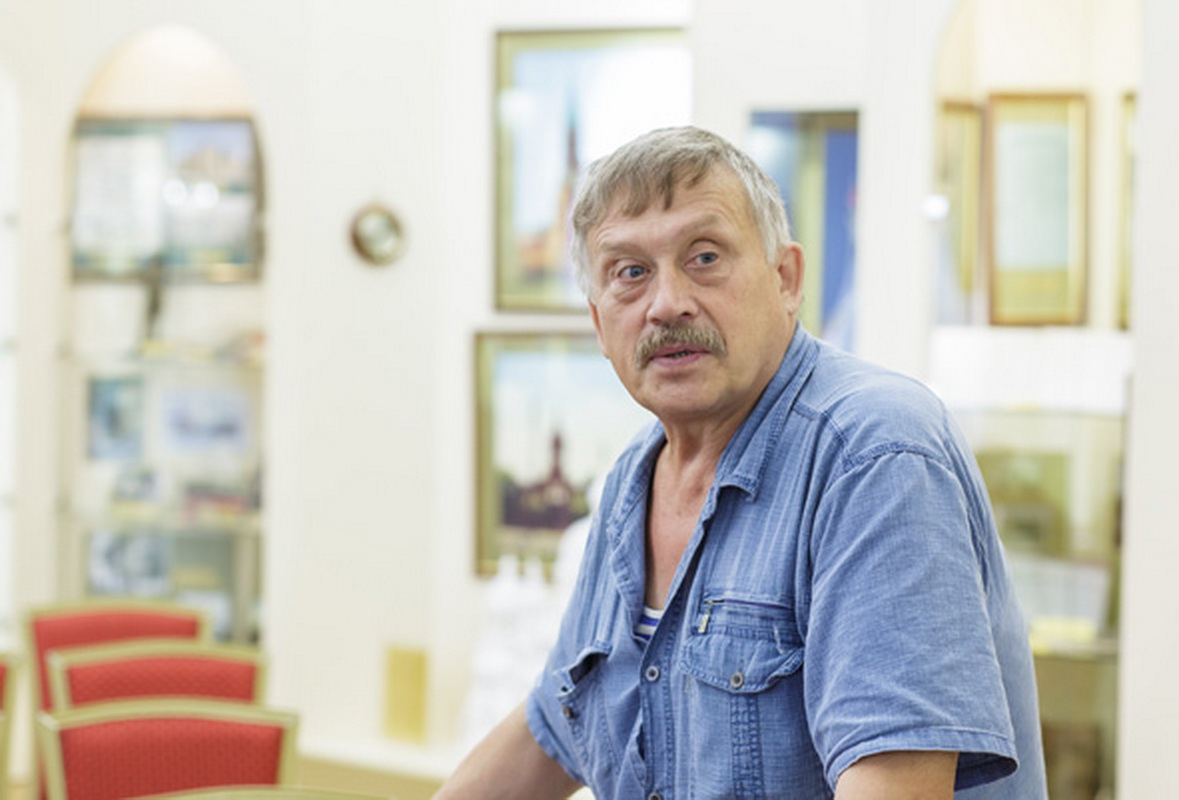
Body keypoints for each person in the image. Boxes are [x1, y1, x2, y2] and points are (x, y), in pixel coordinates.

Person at [435, 126, 1047, 799]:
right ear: (599, 323)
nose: (666, 303)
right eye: (630, 272)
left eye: (704, 257)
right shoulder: (633, 479)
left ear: (785, 278)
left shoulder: (873, 455)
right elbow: (555, 726)